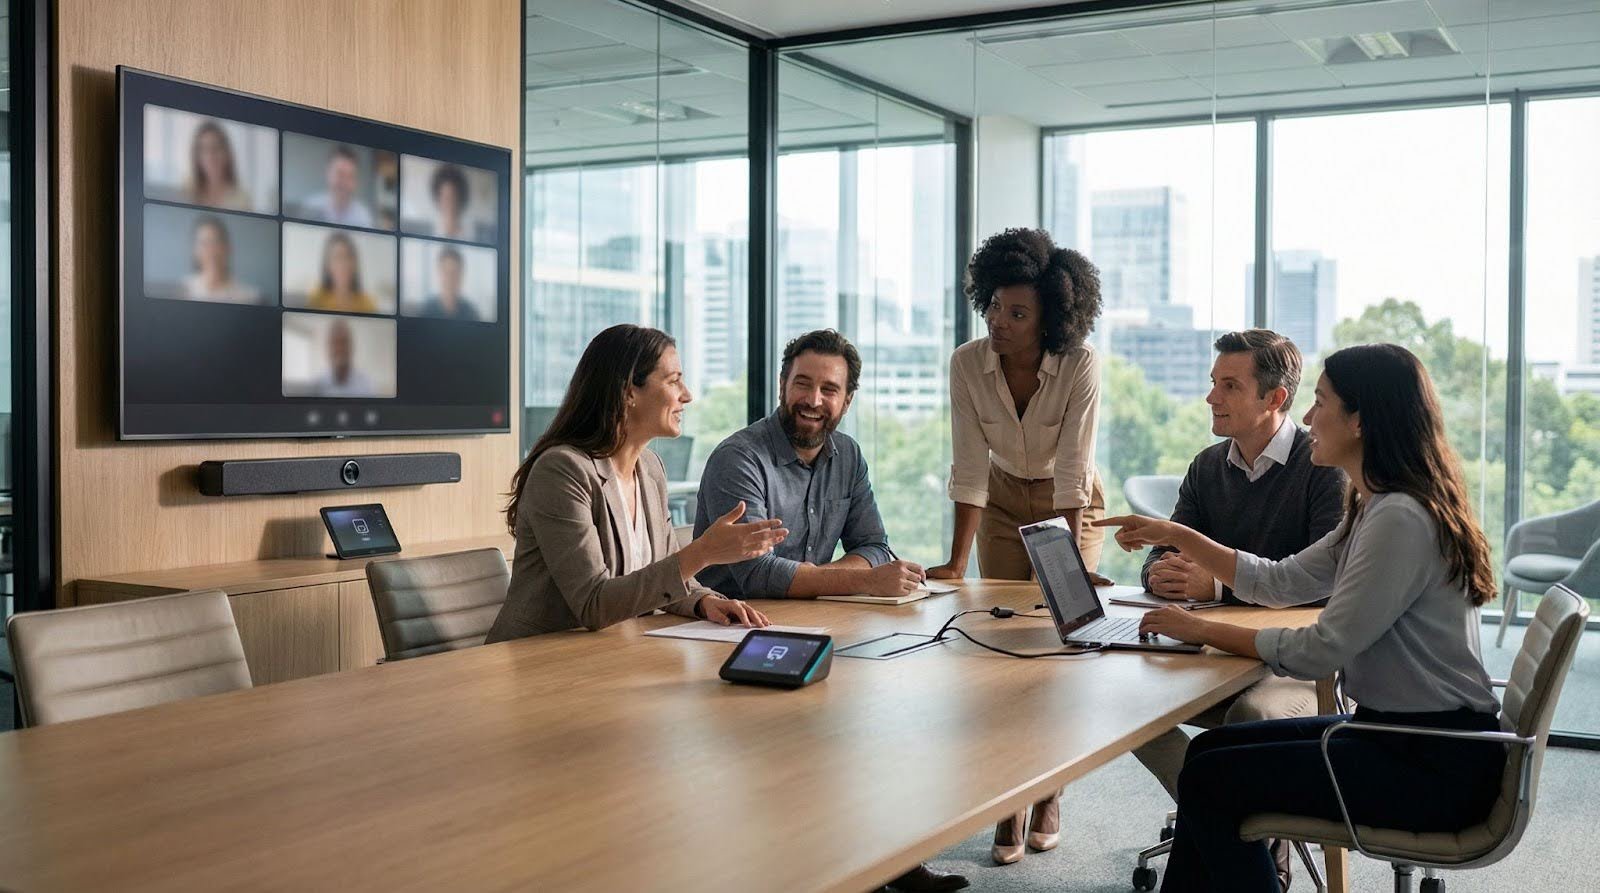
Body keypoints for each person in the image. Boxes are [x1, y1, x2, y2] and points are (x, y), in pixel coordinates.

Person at [1095, 343, 1504, 893]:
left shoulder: (1399, 519)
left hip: (1431, 762)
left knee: (1212, 780)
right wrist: (1175, 535)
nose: (1309, 417)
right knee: (1207, 760)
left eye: (1321, 401)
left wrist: (1198, 628)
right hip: (1398, 738)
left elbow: (1320, 651)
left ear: (1359, 420)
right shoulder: (1376, 505)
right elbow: (1278, 580)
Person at [693, 328, 966, 893]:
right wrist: (858, 582)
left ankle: (891, 861)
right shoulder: (739, 458)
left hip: (813, 624)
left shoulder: (849, 456)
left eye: (828, 389)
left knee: (885, 718)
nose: (813, 400)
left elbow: (874, 543)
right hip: (725, 634)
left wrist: (854, 577)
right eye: (802, 384)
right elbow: (753, 574)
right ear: (782, 384)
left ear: (847, 398)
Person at [926, 227, 1107, 865]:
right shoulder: (967, 363)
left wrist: (1068, 571)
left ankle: (1050, 787)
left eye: (1018, 313)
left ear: (1051, 319)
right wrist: (954, 562)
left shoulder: (1079, 364)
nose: (999, 322)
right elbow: (970, 466)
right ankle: (1009, 796)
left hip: (1071, 500)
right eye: (995, 307)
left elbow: (1072, 469)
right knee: (1004, 642)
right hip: (1000, 499)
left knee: (1062, 635)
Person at [487, 324, 781, 641]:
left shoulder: (651, 469)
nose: (688, 395)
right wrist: (703, 553)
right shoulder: (562, 471)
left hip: (610, 655)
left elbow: (658, 578)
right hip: (537, 660)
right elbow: (593, 603)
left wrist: (703, 602)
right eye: (673, 381)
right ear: (629, 391)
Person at [179, 215, 261, 305]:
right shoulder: (182, 291)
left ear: (227, 248)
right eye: (204, 243)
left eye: (215, 242)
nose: (210, 250)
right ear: (195, 250)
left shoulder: (248, 297)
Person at [184, 120, 253, 211]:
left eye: (216, 148)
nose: (210, 156)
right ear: (196, 156)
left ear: (227, 154)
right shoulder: (187, 190)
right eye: (204, 149)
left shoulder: (242, 199)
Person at [301, 144, 375, 227]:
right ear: (328, 174)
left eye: (350, 176)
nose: (344, 183)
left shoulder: (363, 217)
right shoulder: (310, 207)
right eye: (340, 174)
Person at [307, 232, 381, 314]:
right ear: (327, 265)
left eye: (349, 257)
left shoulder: (368, 303)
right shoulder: (316, 299)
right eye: (338, 257)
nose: (344, 264)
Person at [312, 319, 378, 398]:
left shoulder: (366, 384)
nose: (340, 348)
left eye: (344, 342)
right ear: (328, 348)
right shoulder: (317, 385)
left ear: (352, 347)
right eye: (335, 343)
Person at [414, 247, 480, 320]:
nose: (450, 279)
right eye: (446, 272)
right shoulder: (425, 311)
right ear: (439, 273)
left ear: (461, 276)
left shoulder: (471, 313)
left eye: (455, 273)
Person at [429, 163, 473, 240]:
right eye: (446, 198)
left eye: (454, 197)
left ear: (461, 200)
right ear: (438, 200)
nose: (450, 204)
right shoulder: (430, 236)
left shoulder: (471, 236)